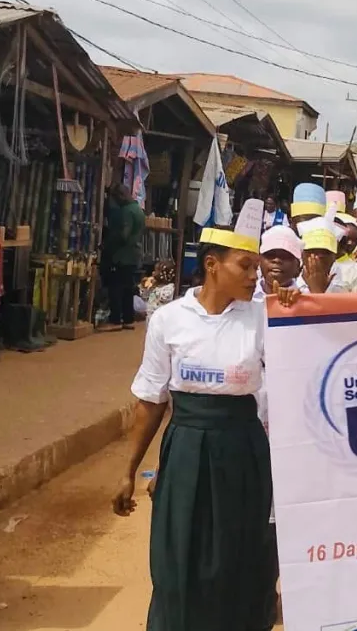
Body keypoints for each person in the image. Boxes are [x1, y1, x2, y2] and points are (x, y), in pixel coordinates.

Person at [114, 199, 278, 631]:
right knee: (179, 555)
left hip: (243, 450)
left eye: (257, 267)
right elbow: (151, 400)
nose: (254, 276)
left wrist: (296, 306)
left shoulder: (263, 318)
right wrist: (129, 470)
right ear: (212, 265)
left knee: (240, 557)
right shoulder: (169, 320)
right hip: (186, 446)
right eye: (245, 266)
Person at [103, 182, 146, 330]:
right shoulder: (138, 210)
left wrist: (108, 244)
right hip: (134, 255)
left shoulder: (126, 211)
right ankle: (128, 319)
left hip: (123, 256)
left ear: (121, 196)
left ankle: (115, 320)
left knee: (116, 287)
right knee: (128, 288)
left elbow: (124, 235)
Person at [253, 225, 303, 302]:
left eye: (285, 256)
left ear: (298, 266)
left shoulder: (306, 299)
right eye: (270, 254)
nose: (277, 260)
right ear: (259, 260)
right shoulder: (244, 295)